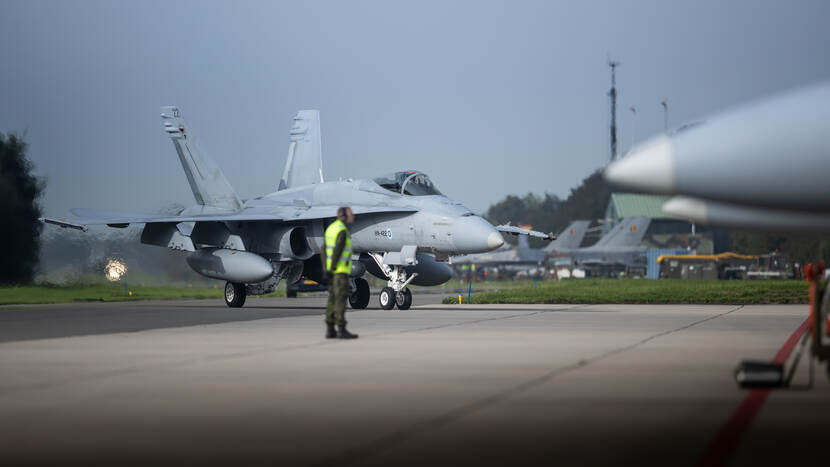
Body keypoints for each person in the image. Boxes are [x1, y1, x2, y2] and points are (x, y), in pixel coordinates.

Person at [322, 207, 358, 339]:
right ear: (344, 216)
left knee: (332, 300)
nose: (353, 216)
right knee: (341, 300)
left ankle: (330, 329)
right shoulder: (342, 231)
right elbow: (337, 251)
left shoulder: (331, 228)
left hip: (332, 271)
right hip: (340, 272)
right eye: (351, 214)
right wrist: (332, 267)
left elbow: (323, 249)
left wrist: (326, 269)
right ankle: (341, 329)